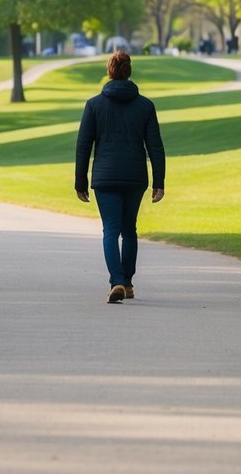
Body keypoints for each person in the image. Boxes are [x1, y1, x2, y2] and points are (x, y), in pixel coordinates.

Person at [74, 49, 165, 304]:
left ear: (109, 71)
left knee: (110, 230)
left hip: (105, 176)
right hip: (135, 176)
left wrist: (80, 182)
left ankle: (116, 280)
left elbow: (84, 146)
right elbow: (155, 146)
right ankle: (127, 282)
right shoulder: (145, 106)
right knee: (130, 230)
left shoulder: (94, 105)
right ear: (129, 71)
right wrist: (159, 182)